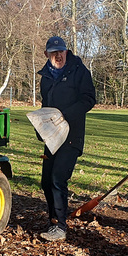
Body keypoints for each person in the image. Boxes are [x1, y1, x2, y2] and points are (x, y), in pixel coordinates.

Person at [35, 35, 96, 242]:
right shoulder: (46, 76)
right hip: (52, 136)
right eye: (53, 53)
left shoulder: (79, 71)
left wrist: (65, 116)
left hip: (72, 136)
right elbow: (46, 105)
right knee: (45, 181)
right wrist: (41, 127)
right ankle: (54, 220)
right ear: (47, 55)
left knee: (57, 179)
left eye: (61, 52)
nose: (58, 56)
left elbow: (89, 99)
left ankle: (60, 226)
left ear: (66, 52)